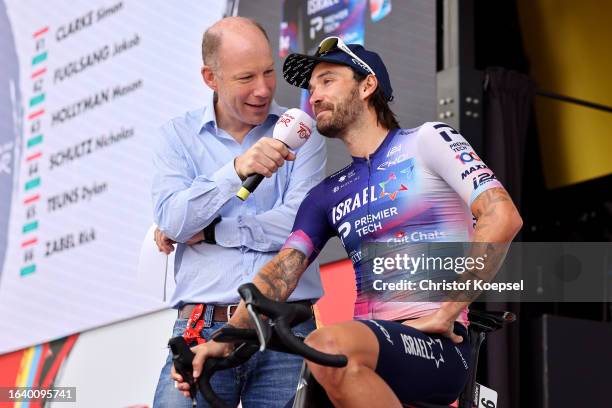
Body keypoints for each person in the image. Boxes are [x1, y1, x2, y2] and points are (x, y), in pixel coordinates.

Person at [176, 38, 522, 407]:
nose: (314, 98)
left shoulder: (427, 140)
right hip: (367, 349)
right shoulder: (326, 194)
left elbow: (501, 216)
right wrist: (223, 340)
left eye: (327, 81)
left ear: (367, 85)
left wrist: (448, 310)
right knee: (319, 366)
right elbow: (279, 275)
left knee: (325, 345)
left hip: (438, 344)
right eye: (311, 90)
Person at [151, 17, 326, 408]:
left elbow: (301, 227)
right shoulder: (175, 137)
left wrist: (213, 232)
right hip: (203, 325)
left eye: (268, 72)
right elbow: (174, 222)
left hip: (288, 326)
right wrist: (235, 172)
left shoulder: (300, 131)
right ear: (210, 77)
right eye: (246, 77)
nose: (263, 89)